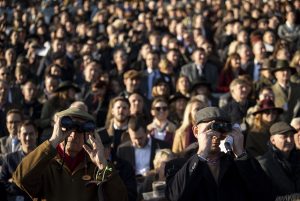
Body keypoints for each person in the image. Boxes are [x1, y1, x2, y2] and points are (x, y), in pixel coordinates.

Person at [12, 103, 128, 201]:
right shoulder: (45, 161)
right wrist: (52, 142)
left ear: (88, 133)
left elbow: (120, 198)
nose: (73, 134)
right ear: (58, 128)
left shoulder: (95, 165)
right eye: (68, 127)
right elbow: (21, 179)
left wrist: (103, 165)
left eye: (80, 129)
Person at [165, 107, 274, 201]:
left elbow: (266, 196)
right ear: (196, 131)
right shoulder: (178, 165)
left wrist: (240, 154)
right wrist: (201, 154)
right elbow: (175, 196)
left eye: (221, 129)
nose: (216, 135)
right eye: (209, 129)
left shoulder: (240, 163)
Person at [257, 121, 300, 197]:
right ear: (273, 140)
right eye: (284, 136)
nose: (290, 140)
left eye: (291, 136)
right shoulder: (265, 164)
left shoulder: (297, 158)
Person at [0, 120, 38, 201]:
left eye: (31, 134)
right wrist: (15, 187)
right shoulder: (9, 159)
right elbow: (2, 182)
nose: (28, 138)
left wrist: (14, 181)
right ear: (18, 136)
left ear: (36, 134)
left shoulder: (44, 157)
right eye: (25, 134)